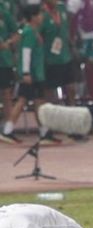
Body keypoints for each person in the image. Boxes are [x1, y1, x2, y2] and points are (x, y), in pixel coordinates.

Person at [0, 5, 49, 145]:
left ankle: (44, 131)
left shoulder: (34, 31)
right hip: (31, 73)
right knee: (22, 101)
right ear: (33, 17)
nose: (42, 17)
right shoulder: (28, 32)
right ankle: (7, 131)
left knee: (39, 101)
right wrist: (26, 72)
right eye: (39, 14)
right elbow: (26, 52)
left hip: (37, 73)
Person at [41, 0, 76, 144]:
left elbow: (66, 29)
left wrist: (71, 44)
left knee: (71, 90)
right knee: (51, 96)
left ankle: (73, 127)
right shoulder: (41, 14)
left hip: (66, 57)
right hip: (50, 60)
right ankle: (50, 128)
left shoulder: (62, 9)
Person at [0, 1, 18, 130]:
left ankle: (8, 127)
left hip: (3, 60)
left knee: (6, 92)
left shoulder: (4, 12)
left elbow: (16, 34)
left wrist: (8, 43)